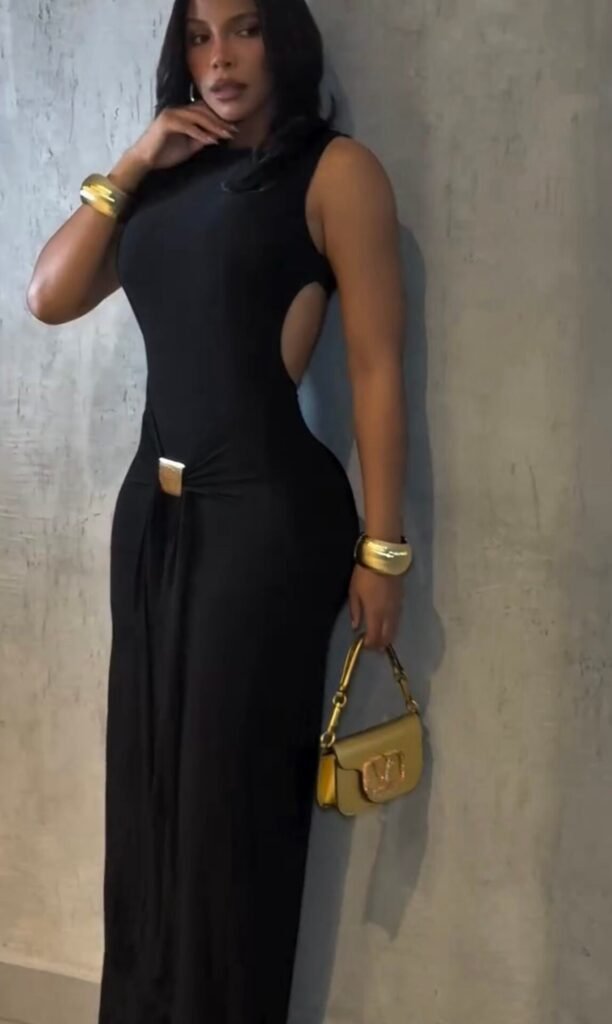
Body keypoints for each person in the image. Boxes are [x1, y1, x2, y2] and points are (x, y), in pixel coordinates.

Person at [26, 0, 410, 1020]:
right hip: (152, 520)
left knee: (225, 807)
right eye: (198, 36)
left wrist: (384, 550)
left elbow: (375, 368)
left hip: (265, 526)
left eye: (243, 29)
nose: (221, 57)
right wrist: (136, 157)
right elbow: (49, 295)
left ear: (285, 39)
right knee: (148, 792)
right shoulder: (167, 176)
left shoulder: (334, 172)